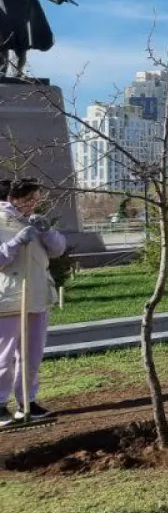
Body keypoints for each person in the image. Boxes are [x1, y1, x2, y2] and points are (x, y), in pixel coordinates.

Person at [0, 180, 68, 424]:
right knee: (4, 356)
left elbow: (58, 250)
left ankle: (26, 401)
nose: (34, 204)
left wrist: (46, 231)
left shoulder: (35, 220)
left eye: (37, 200)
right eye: (30, 199)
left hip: (37, 296)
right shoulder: (0, 220)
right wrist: (15, 242)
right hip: (7, 300)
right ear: (13, 197)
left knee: (32, 354)